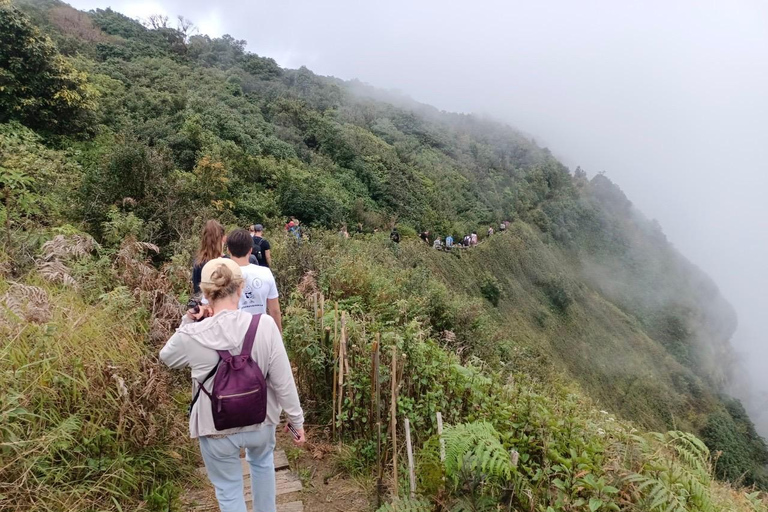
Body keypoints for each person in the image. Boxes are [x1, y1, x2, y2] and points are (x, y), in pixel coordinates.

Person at [160, 258, 305, 512]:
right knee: (262, 465)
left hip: (216, 427)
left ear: (205, 293)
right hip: (261, 422)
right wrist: (296, 421)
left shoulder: (192, 335)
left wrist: (190, 320)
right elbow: (283, 380)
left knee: (228, 490)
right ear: (241, 288)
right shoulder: (265, 325)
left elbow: (167, 357)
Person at [227, 229, 282, 332]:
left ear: (228, 250)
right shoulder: (265, 272)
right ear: (250, 250)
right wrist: (278, 334)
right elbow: (274, 310)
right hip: (260, 332)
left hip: (232, 333)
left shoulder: (221, 274)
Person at [193, 220, 226, 296]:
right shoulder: (228, 262)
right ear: (223, 238)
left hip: (204, 304)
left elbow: (197, 290)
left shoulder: (199, 262)